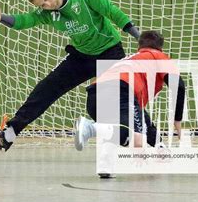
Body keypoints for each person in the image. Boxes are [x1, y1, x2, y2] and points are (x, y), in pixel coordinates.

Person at [0, 0, 140, 151]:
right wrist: (1, 18)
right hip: (82, 56)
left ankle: (141, 138)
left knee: (101, 105)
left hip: (110, 54)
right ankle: (8, 135)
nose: (47, 5)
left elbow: (113, 12)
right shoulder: (48, 14)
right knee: (46, 88)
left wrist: (138, 37)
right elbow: (25, 20)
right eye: (42, 5)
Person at [74, 31, 185, 177]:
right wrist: (177, 119)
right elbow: (179, 86)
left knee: (116, 128)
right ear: (160, 48)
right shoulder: (158, 56)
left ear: (139, 46)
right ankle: (90, 128)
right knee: (134, 139)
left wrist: (160, 146)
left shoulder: (130, 60)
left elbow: (144, 121)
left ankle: (105, 167)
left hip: (95, 94)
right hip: (121, 91)